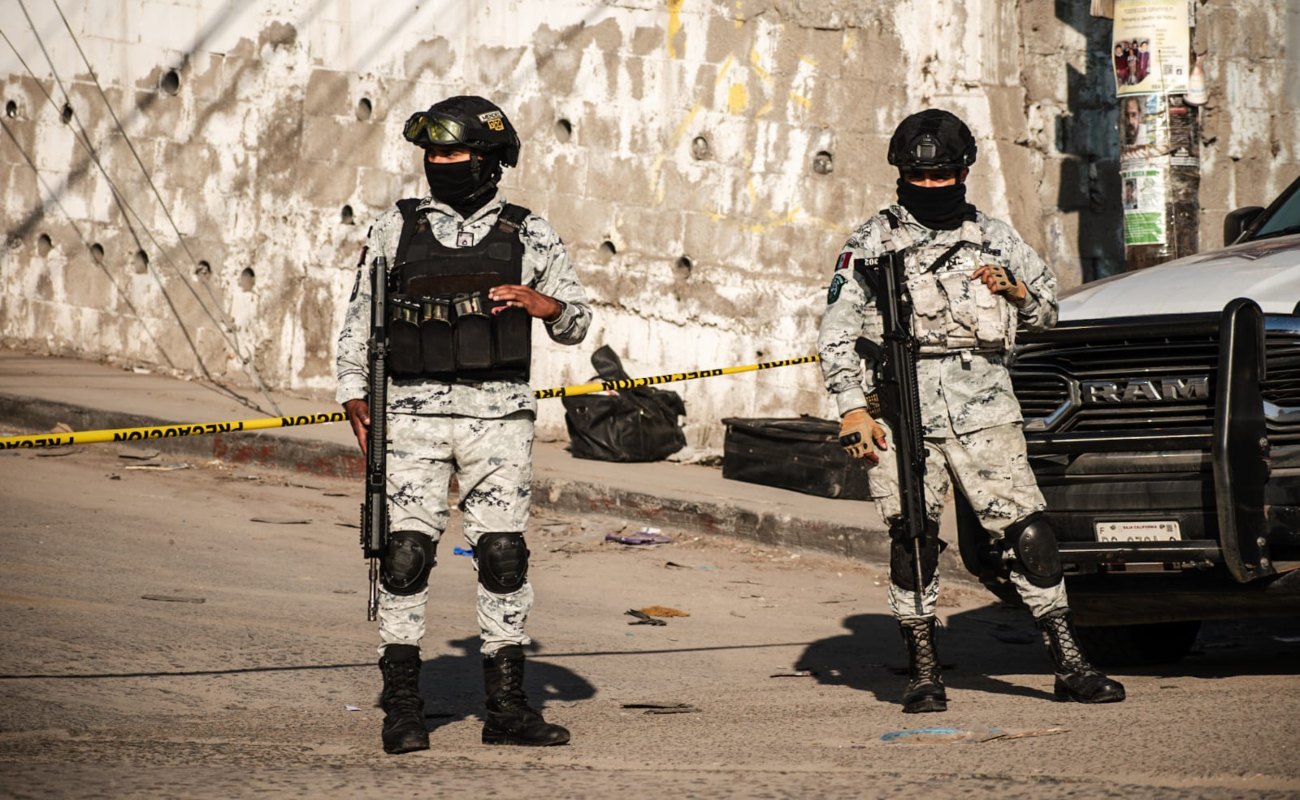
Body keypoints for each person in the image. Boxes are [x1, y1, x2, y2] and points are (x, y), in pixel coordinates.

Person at [817, 109, 1125, 714]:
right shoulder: (871, 242)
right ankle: (924, 669)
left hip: (984, 407)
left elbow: (1048, 313)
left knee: (1028, 532)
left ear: (963, 173)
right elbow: (836, 332)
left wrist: (1018, 293)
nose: (930, 188)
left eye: (942, 177)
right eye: (917, 178)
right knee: (913, 539)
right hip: (901, 410)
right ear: (900, 174)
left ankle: (1068, 662)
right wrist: (853, 409)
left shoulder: (995, 237)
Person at [336, 95, 592, 754]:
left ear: (488, 159)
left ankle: (506, 710)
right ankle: (403, 708)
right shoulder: (395, 227)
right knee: (406, 556)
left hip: (498, 419)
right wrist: (353, 398)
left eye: (452, 152)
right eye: (433, 153)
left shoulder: (528, 232)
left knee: (503, 558)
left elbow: (578, 323)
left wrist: (546, 303)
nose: (440, 164)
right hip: (413, 417)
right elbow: (362, 317)